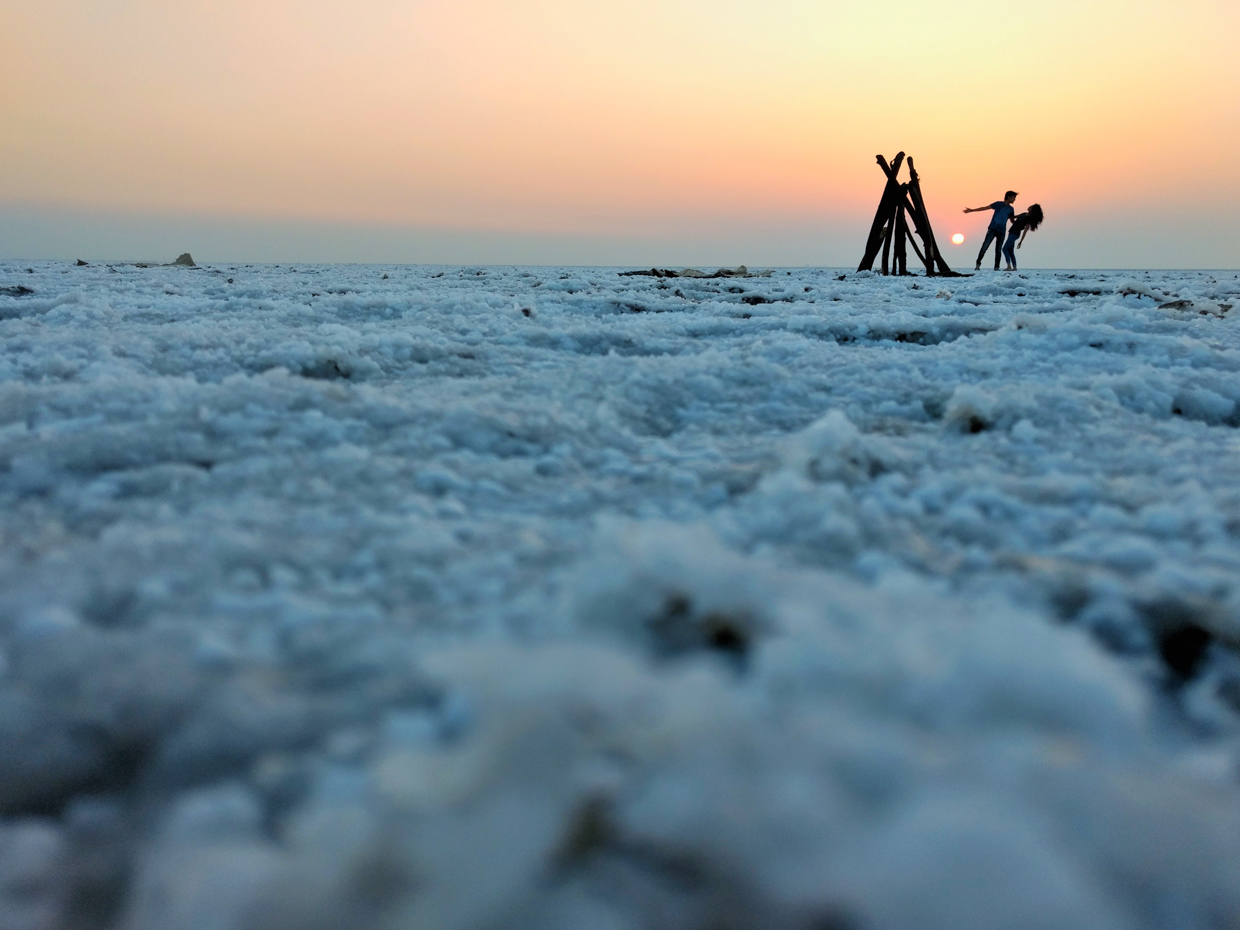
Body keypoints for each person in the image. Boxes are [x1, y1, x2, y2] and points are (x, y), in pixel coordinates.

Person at [963, 191, 1017, 271]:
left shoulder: (1011, 209)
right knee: (985, 246)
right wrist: (972, 210)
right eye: (1013, 197)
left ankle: (996, 267)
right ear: (1008, 197)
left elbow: (1012, 221)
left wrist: (1023, 221)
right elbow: (985, 208)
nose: (1014, 199)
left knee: (998, 250)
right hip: (992, 229)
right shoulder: (998, 204)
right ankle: (978, 264)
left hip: (1002, 231)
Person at [1001, 204, 1044, 271]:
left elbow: (1025, 231)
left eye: (1031, 207)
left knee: (1004, 249)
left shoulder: (1029, 219)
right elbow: (1013, 218)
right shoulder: (1024, 214)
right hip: (1011, 232)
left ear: (1032, 210)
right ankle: (1014, 267)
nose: (1029, 206)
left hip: (1015, 233)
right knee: (1010, 251)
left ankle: (1009, 266)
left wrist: (1021, 241)